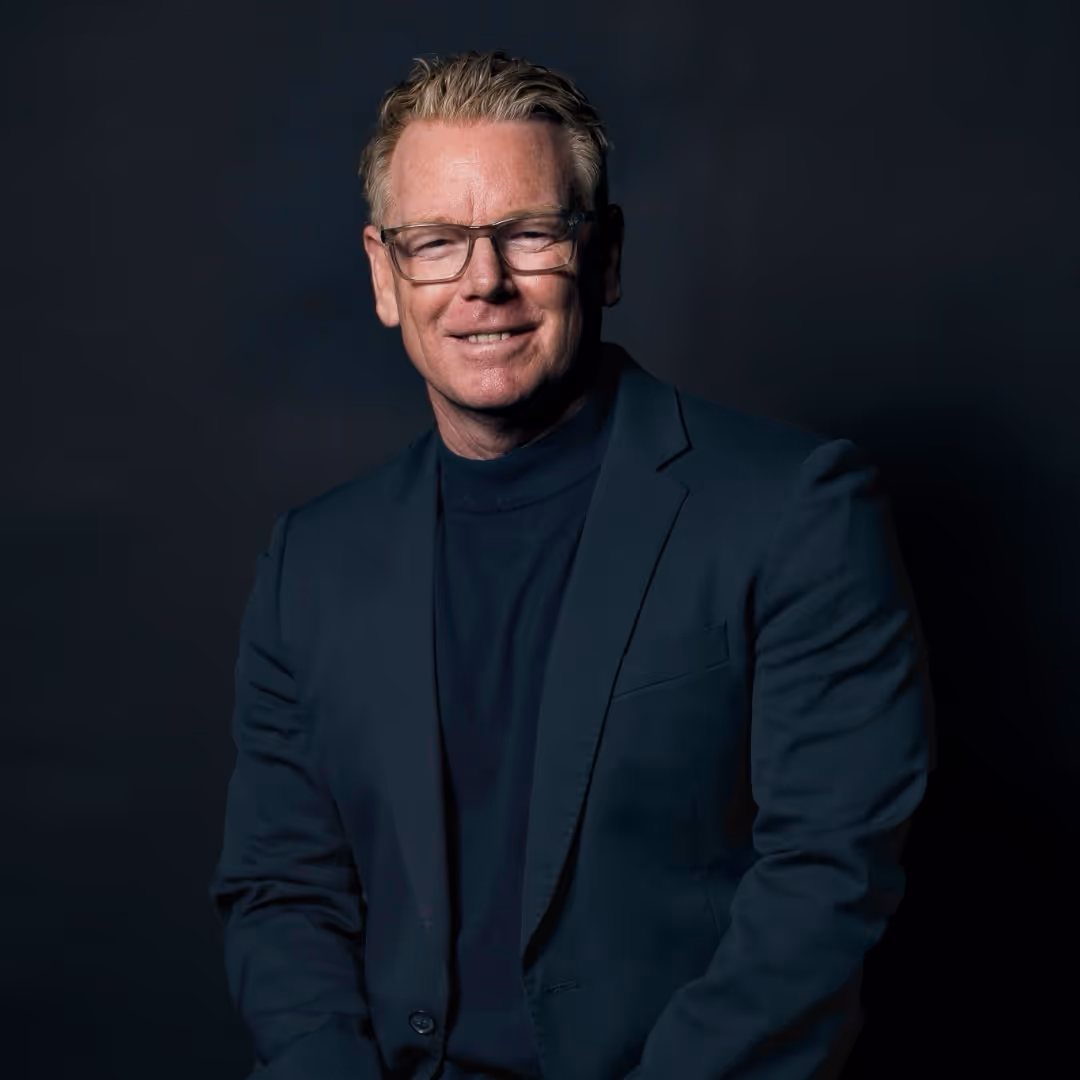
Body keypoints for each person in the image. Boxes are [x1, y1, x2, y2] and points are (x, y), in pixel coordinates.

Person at [210, 49, 936, 1080]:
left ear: (606, 256)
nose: (485, 283)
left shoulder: (794, 512)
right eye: (437, 242)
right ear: (384, 274)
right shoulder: (310, 563)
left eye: (531, 233)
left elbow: (826, 881)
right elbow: (283, 890)